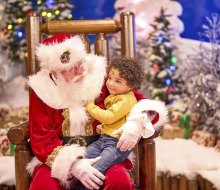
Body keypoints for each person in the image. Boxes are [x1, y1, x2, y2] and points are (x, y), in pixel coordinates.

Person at [26, 33, 168, 190]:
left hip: (104, 148)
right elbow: (41, 137)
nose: (80, 70)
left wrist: (137, 121)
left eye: (81, 61)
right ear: (54, 70)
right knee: (43, 186)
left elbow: (137, 100)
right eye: (71, 67)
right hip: (57, 154)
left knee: (118, 181)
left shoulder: (100, 76)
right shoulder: (41, 90)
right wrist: (73, 163)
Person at [85, 57, 147, 175]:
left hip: (117, 145)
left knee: (95, 170)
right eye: (109, 78)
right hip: (104, 140)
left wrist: (89, 105)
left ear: (131, 86)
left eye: (118, 81)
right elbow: (118, 119)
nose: (111, 84)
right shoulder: (116, 95)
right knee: (85, 159)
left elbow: (109, 116)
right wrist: (103, 127)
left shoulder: (125, 100)